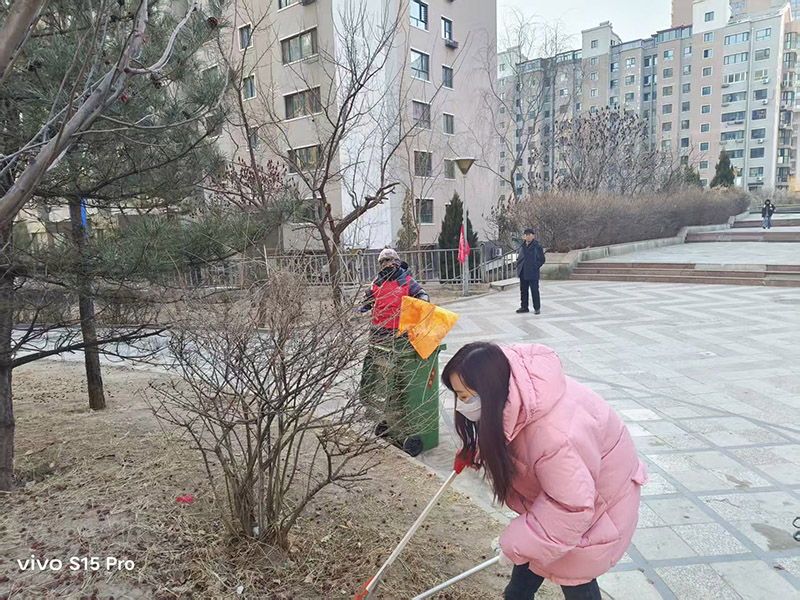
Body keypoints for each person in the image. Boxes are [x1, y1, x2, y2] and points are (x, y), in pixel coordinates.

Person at [442, 342, 647, 600]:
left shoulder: (555, 438)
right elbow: (510, 431)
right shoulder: (513, 388)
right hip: (569, 488)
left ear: (489, 391)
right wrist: (484, 451)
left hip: (597, 501)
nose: (461, 406)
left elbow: (571, 509)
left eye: (464, 397)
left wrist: (515, 544)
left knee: (573, 570)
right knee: (530, 551)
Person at [361, 248, 429, 340]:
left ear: (397, 262)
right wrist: (361, 309)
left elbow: (422, 295)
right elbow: (366, 302)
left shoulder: (407, 281)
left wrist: (423, 302)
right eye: (383, 261)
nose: (386, 264)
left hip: (402, 330)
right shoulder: (376, 283)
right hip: (379, 330)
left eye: (389, 260)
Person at [516, 228, 546, 315]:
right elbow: (520, 257)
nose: (527, 237)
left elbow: (542, 259)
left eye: (529, 235)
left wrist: (535, 266)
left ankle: (537, 308)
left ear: (533, 236)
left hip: (533, 272)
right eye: (526, 235)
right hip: (523, 271)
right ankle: (524, 307)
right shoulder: (523, 246)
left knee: (534, 290)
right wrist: (519, 265)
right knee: (523, 290)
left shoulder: (537, 246)